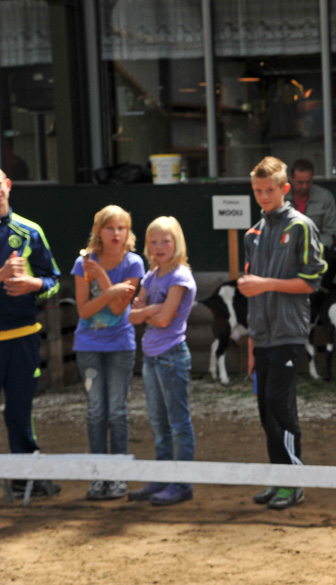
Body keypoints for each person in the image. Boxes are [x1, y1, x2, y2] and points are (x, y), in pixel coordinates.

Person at [242, 156, 327, 510]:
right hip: (262, 337)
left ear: (285, 189)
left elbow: (312, 281)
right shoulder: (253, 234)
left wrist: (266, 285)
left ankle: (294, 481)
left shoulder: (302, 226)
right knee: (265, 410)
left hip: (289, 334)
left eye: (270, 190)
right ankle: (279, 479)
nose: (264, 196)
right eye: (258, 191)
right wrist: (250, 342)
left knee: (281, 406)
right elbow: (251, 293)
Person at [73, 205, 145, 501]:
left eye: (122, 228)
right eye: (110, 228)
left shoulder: (134, 263)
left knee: (116, 410)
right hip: (88, 347)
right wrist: (108, 291)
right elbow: (84, 310)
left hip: (120, 346)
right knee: (95, 410)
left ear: (128, 232)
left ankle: (118, 475)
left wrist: (101, 276)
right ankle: (98, 475)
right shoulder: (83, 263)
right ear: (99, 231)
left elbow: (119, 309)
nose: (116, 234)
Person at [0, 167, 61, 498]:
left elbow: (53, 281)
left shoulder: (30, 231)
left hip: (22, 338)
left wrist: (34, 284)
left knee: (19, 412)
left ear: (8, 186)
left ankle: (26, 478)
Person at [127, 216, 197, 506]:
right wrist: (150, 311)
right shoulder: (150, 276)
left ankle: (181, 483)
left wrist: (147, 311)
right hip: (152, 357)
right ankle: (162, 475)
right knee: (158, 422)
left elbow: (166, 318)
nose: (158, 247)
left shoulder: (180, 276)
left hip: (171, 357)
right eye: (153, 242)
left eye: (165, 241)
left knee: (179, 422)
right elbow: (131, 316)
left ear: (176, 243)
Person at [285, 158, 336, 249]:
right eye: (300, 182)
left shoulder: (324, 197)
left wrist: (309, 245)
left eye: (308, 182)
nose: (304, 186)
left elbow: (331, 233)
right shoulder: (281, 198)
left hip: (316, 251)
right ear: (291, 178)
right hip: (286, 249)